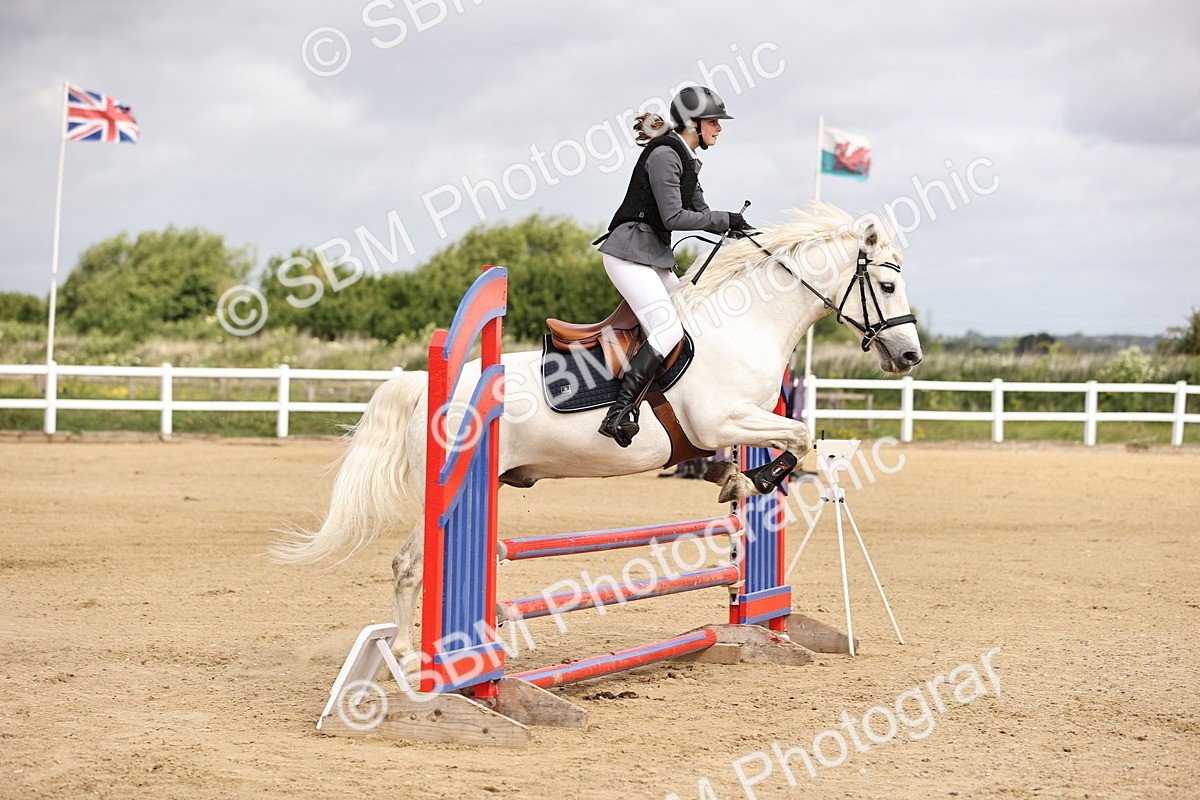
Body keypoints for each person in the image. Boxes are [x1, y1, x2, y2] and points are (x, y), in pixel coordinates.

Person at [594, 85, 752, 447]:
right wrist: (722, 219)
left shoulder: (686, 157)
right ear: (694, 123)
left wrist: (738, 229)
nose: (719, 128)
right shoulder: (666, 154)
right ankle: (619, 411)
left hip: (651, 257)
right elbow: (676, 217)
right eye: (714, 121)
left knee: (692, 316)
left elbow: (702, 211)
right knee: (666, 331)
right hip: (628, 255)